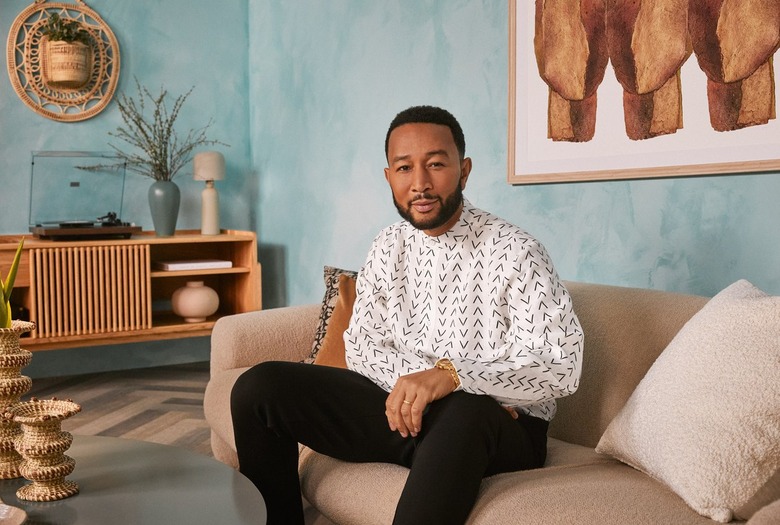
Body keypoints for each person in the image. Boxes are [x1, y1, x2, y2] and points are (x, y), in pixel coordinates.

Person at [231, 105, 583, 525]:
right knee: (259, 388)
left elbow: (562, 365)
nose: (420, 184)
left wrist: (455, 378)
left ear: (464, 170)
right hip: (400, 410)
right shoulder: (388, 244)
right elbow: (362, 346)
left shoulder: (516, 251)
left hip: (500, 428)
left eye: (436, 164)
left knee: (465, 412)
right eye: (404, 168)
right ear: (388, 177)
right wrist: (425, 386)